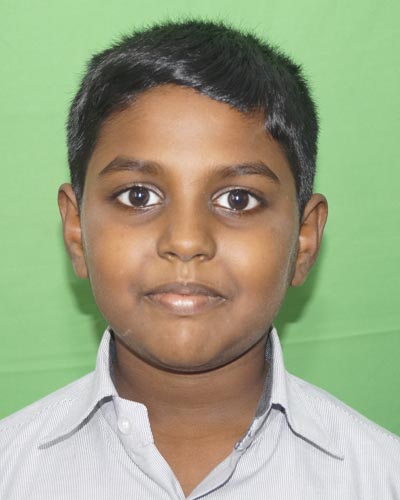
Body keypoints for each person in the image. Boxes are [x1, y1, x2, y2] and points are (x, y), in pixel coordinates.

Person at [0, 19, 399, 500]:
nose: (187, 241)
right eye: (138, 195)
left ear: (305, 239)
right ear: (76, 231)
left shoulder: (380, 478)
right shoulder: (11, 470)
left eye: (237, 200)